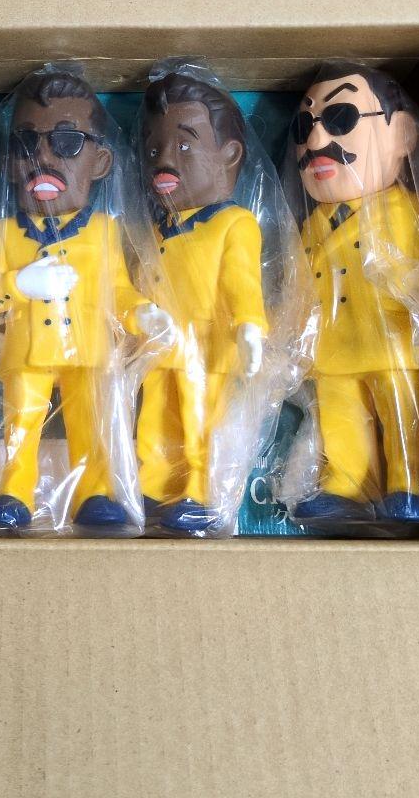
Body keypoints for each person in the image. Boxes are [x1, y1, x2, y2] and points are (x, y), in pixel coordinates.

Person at [0, 64, 169, 534]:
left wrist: (142, 312)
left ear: (100, 162)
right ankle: (14, 492)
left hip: (89, 351)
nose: (42, 157)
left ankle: (94, 490)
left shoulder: (103, 231)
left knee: (92, 422)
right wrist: (20, 284)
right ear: (9, 163)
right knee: (20, 426)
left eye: (66, 142)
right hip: (26, 352)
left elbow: (116, 288)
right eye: (27, 144)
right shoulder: (4, 232)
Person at [288, 63, 419, 526]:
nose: (316, 140)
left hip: (394, 338)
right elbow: (298, 287)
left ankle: (411, 483)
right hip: (332, 348)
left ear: (402, 135)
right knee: (339, 418)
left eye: (341, 119)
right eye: (304, 126)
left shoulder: (410, 211)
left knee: (404, 412)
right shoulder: (310, 227)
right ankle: (346, 482)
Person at [136, 68, 267, 534]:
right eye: (154, 149)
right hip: (159, 348)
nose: (165, 159)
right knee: (154, 421)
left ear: (228, 155)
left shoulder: (233, 223)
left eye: (185, 145)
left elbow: (242, 281)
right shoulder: (155, 230)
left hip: (208, 348)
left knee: (199, 422)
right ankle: (154, 486)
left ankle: (200, 491)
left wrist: (249, 325)